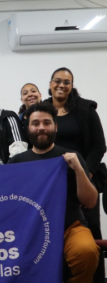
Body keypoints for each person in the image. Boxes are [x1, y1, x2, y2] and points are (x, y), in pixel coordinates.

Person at [9, 102, 99, 283]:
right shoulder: (16, 162)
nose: (41, 127)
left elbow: (90, 202)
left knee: (86, 251)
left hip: (70, 226)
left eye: (46, 122)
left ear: (55, 127)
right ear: (28, 128)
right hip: (30, 230)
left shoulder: (71, 156)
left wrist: (79, 170)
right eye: (35, 123)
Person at [44, 67, 106, 282]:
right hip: (51, 185)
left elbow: (99, 146)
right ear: (50, 83)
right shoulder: (42, 110)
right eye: (57, 81)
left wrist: (85, 174)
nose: (61, 85)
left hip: (82, 179)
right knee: (49, 235)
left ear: (72, 86)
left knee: (89, 236)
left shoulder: (85, 109)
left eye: (67, 82)